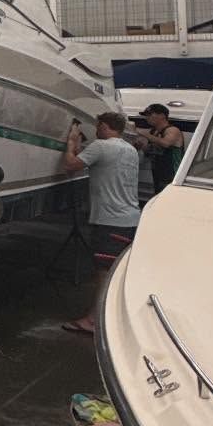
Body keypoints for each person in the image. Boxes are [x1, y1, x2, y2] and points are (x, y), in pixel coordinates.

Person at [61, 111, 141, 337]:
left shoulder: (102, 146)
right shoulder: (130, 149)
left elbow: (70, 165)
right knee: (116, 270)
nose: (96, 130)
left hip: (110, 221)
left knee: (105, 273)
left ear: (105, 126)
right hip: (129, 218)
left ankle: (94, 321)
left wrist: (70, 143)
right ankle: (111, 316)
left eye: (98, 126)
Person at [140, 103, 186, 194]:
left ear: (162, 115)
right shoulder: (153, 131)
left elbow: (166, 143)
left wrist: (144, 134)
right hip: (158, 172)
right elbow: (150, 149)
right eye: (146, 115)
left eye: (150, 115)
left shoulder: (172, 130)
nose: (147, 118)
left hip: (172, 173)